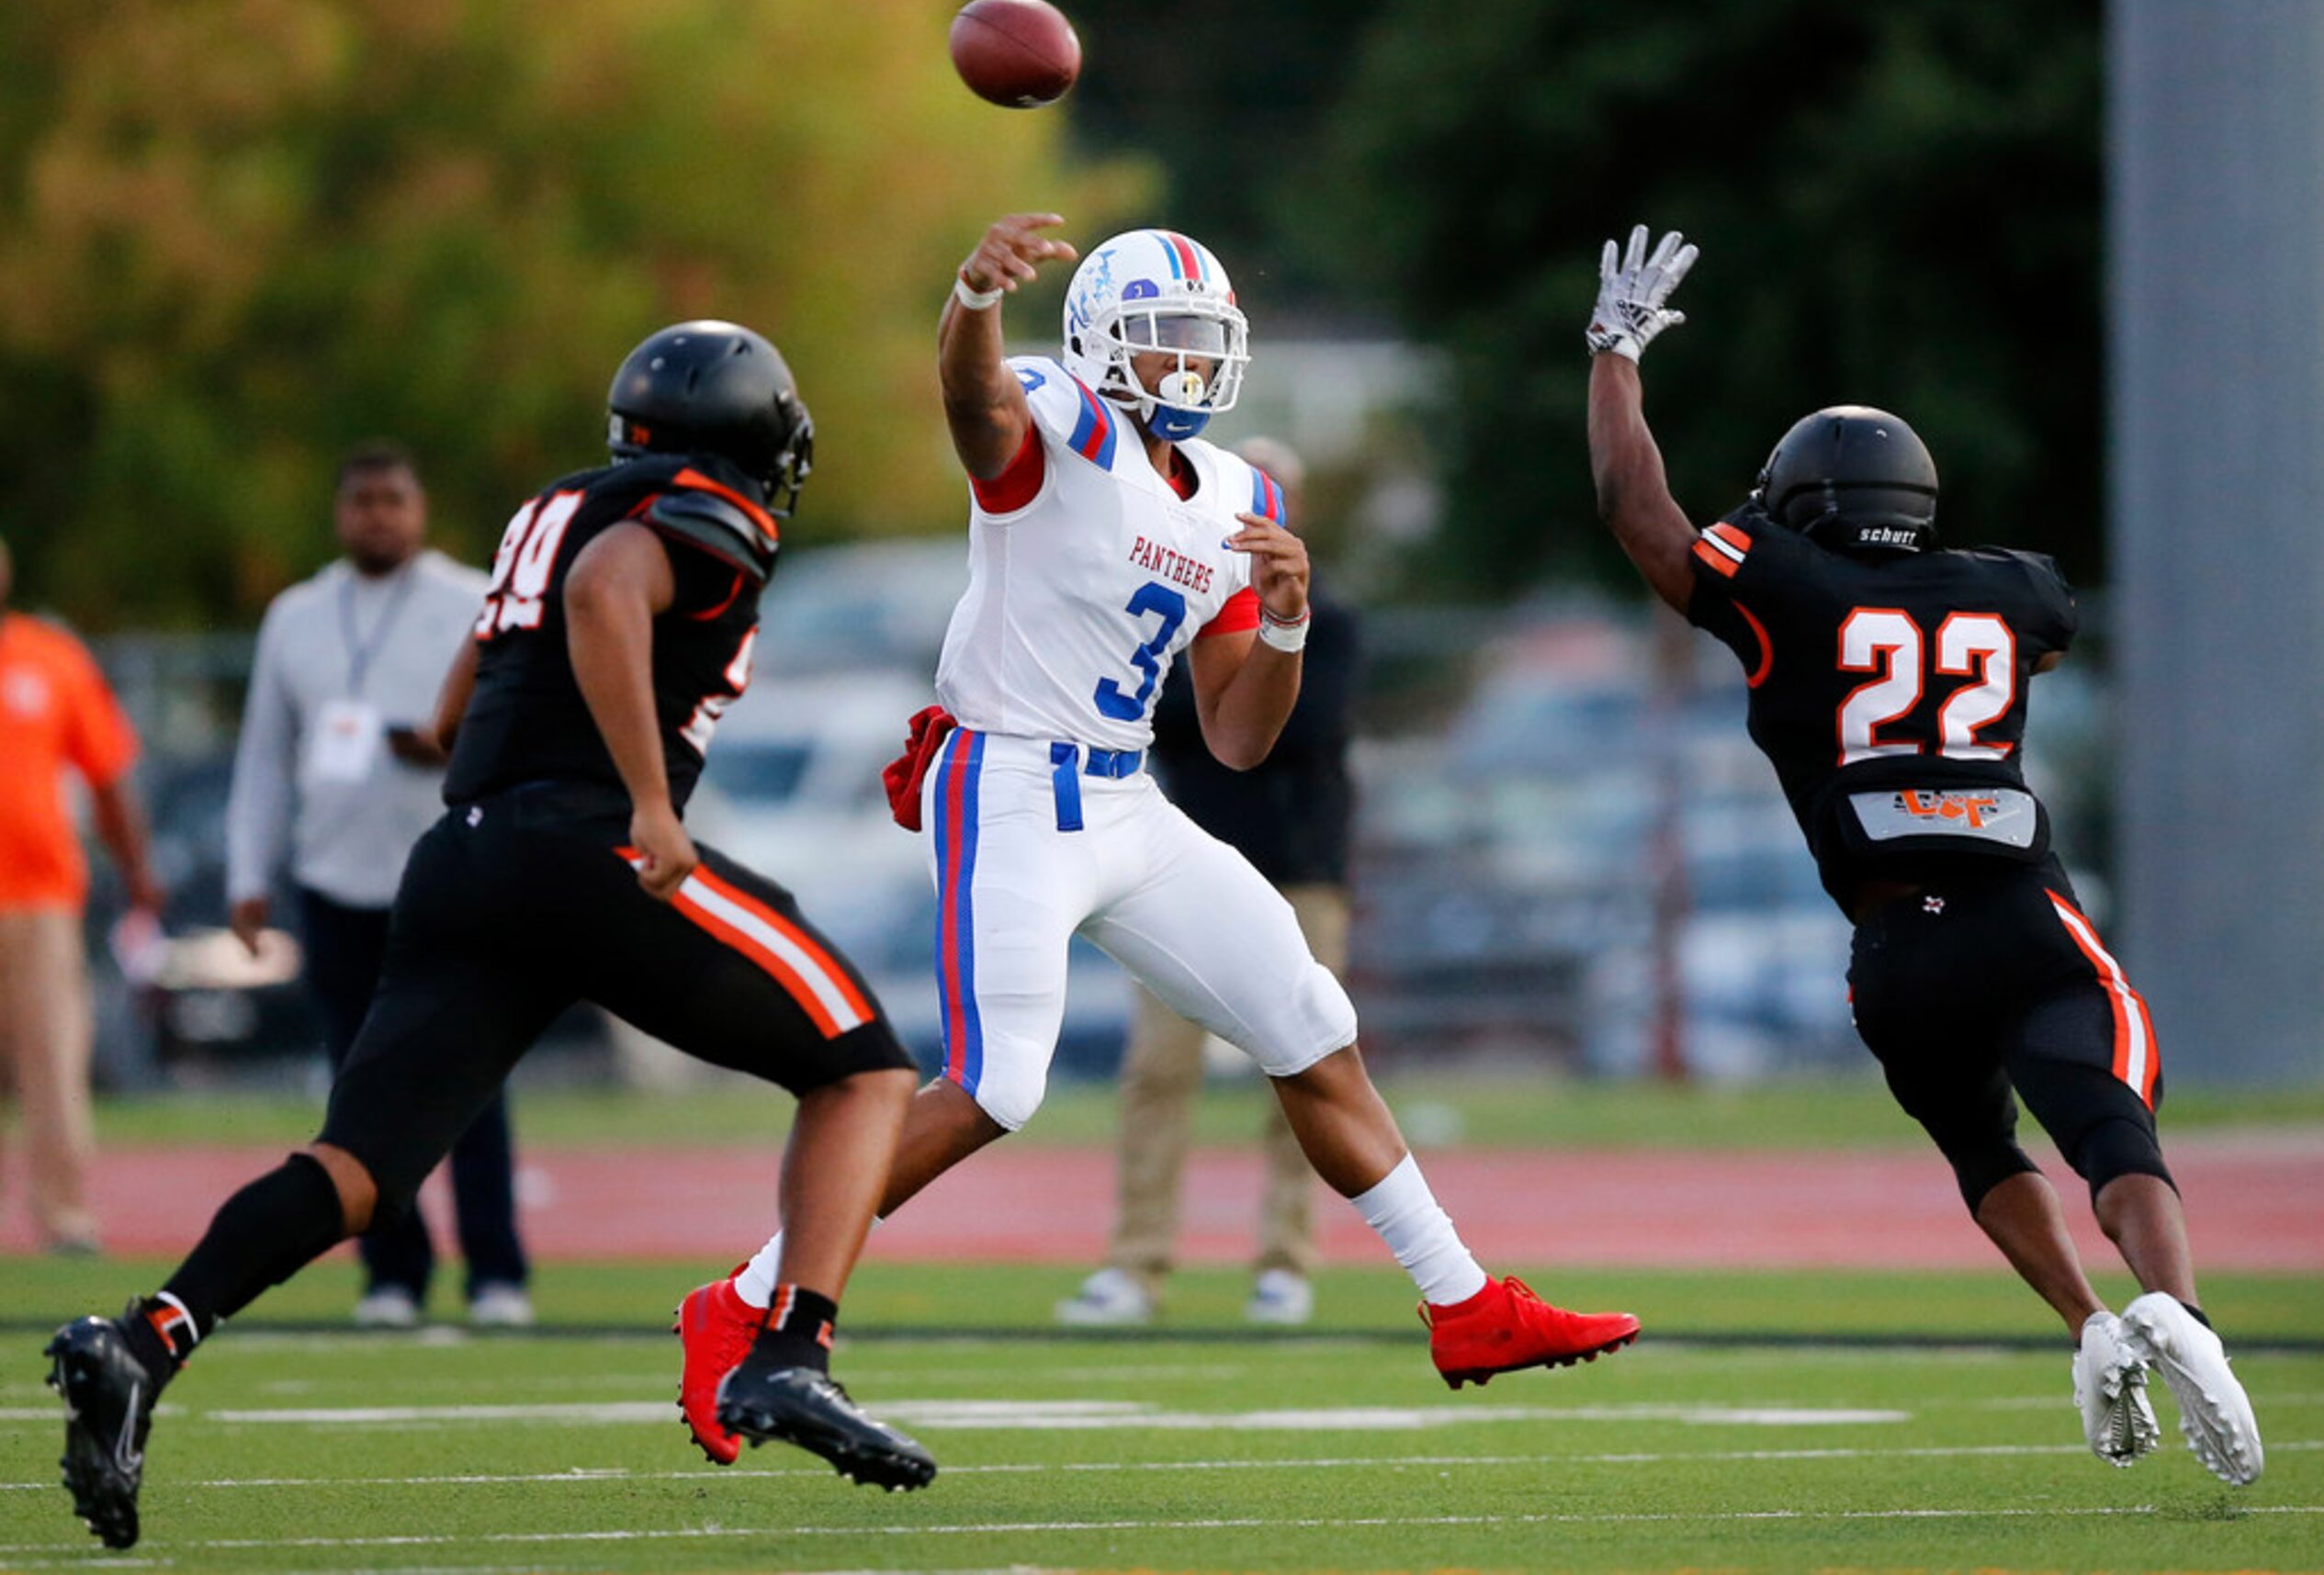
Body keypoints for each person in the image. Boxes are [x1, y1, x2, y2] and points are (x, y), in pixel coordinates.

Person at [674, 217, 1637, 1457]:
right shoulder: (1059, 417)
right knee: (1000, 1081)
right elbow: (972, 402)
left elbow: (1238, 734)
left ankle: (1463, 1303)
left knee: (1310, 1019)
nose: (1185, 364)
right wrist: (971, 294)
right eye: (1161, 338)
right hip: (1008, 779)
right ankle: (746, 1300)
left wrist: (1283, 624)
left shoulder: (1242, 493)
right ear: (1096, 341)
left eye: (1202, 341)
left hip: (1126, 794)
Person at [46, 322, 934, 1553]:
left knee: (357, 1168)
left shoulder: (549, 504)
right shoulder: (700, 506)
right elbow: (603, 591)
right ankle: (791, 1348)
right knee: (864, 1064)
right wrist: (648, 795)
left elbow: (457, 700)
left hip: (465, 852)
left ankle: (144, 1338)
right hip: (591, 847)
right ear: (743, 432)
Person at [1582, 225, 2263, 1486]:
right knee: (2112, 1131)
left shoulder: (1779, 581)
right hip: (2021, 914)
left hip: (1891, 952)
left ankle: (2088, 1326)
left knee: (1980, 1147)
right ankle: (2176, 1309)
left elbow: (1641, 512)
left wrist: (1614, 355)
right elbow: (2027, 640)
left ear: (1797, 506)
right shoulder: (2011, 592)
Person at [226, 445, 532, 1329]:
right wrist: (251, 874)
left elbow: (513, 722)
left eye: (394, 499)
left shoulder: (470, 600)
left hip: (447, 876)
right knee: (360, 1090)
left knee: (471, 1078)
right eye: (362, 501)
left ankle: (495, 1273)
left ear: (420, 508)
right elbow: (264, 757)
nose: (378, 516)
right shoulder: (298, 615)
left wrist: (440, 744)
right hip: (334, 881)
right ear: (339, 513)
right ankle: (391, 1275)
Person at [1055, 438, 1357, 1329]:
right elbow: (1158, 714)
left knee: (1305, 1069)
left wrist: (1241, 671)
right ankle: (1136, 1264)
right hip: (1180, 872)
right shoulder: (1185, 617)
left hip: (1300, 868)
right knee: (1157, 1070)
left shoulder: (1326, 619)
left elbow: (1292, 722)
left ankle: (1285, 1262)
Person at [0, 533, 164, 1255]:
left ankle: (63, 1213)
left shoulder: (49, 655)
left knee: (52, 1058)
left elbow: (106, 774)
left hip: (39, 895)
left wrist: (137, 869)